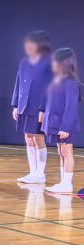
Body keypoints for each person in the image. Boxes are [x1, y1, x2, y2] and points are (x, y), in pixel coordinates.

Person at [12, 31, 54, 184]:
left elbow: (49, 88)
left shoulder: (48, 63)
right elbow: (18, 83)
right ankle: (32, 172)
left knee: (38, 138)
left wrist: (44, 109)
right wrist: (15, 105)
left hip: (38, 108)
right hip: (24, 106)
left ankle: (40, 173)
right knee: (28, 137)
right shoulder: (24, 61)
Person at [40, 47, 82, 195]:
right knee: (60, 152)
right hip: (55, 123)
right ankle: (63, 182)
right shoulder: (56, 80)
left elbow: (70, 107)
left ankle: (67, 184)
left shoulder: (71, 83)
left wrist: (65, 127)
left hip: (65, 125)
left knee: (67, 152)